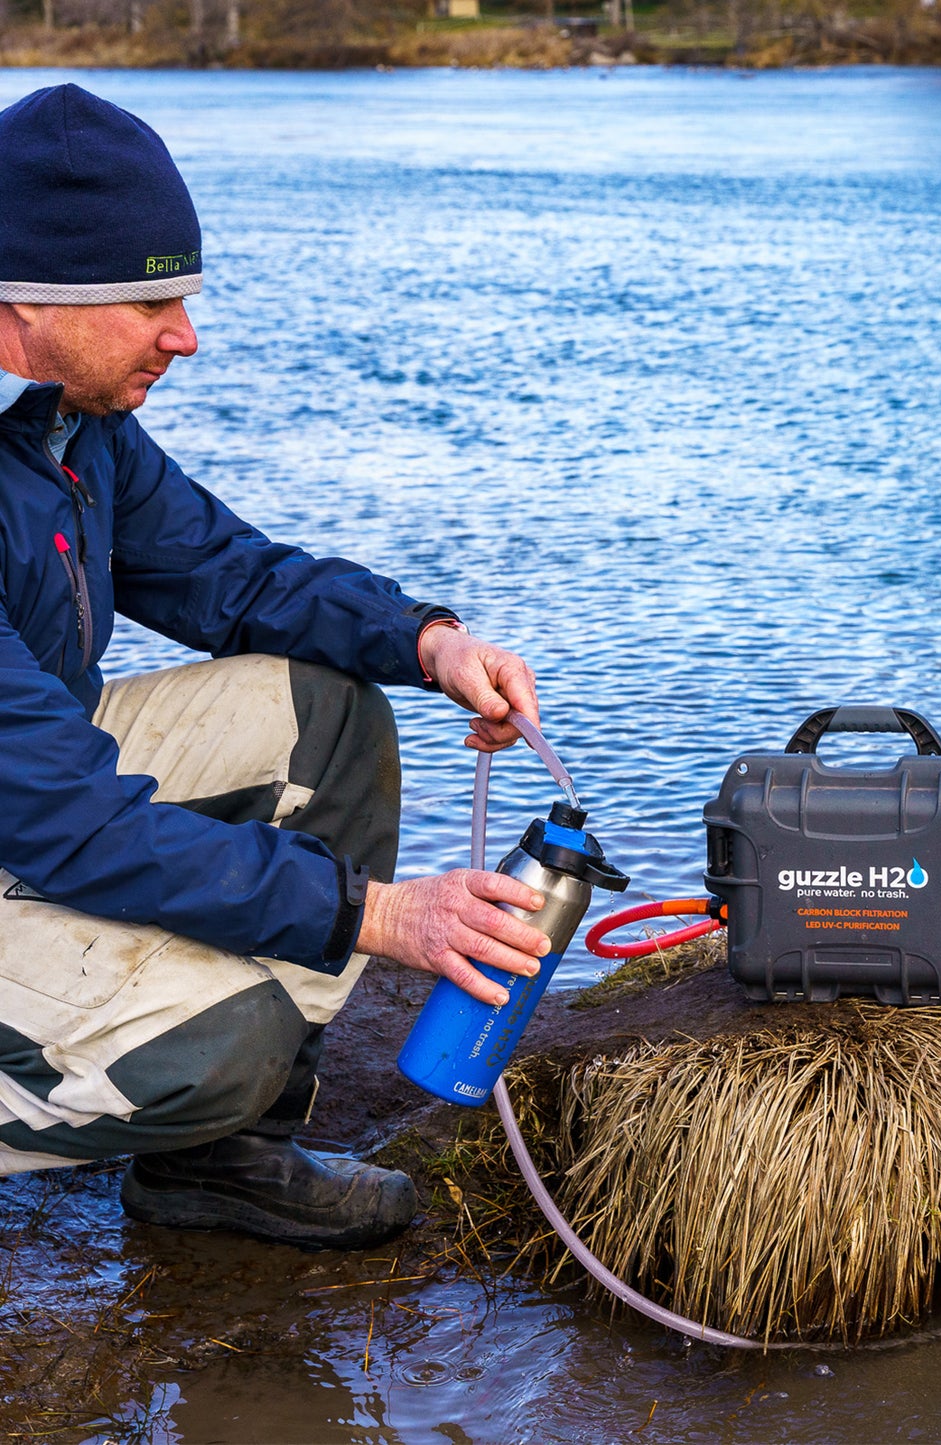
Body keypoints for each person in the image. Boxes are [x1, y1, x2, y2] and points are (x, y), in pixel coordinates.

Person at [0, 83, 552, 1249]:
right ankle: (155, 1084)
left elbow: (229, 574)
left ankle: (219, 1166)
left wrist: (428, 640)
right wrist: (378, 915)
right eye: (151, 302)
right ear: (24, 307)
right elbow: (67, 822)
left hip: (25, 796)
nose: (185, 336)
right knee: (224, 1034)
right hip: (31, 814)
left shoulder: (60, 418)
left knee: (329, 713)